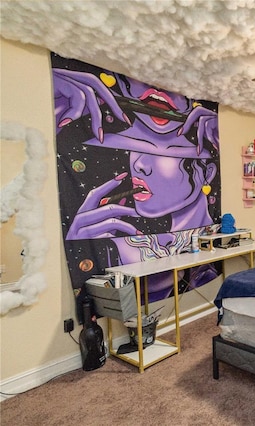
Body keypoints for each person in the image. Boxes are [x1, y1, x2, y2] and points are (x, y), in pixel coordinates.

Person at [53, 60, 220, 301]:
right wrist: (83, 246)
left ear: (207, 171)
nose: (137, 165)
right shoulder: (123, 242)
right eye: (131, 148)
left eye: (163, 150)